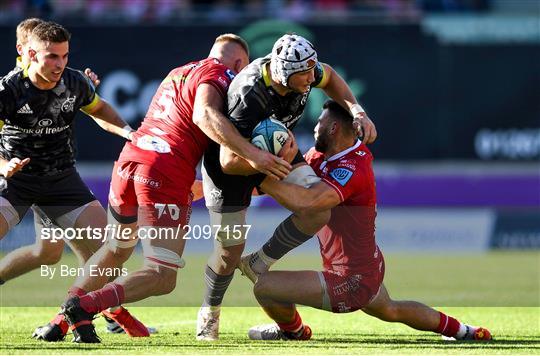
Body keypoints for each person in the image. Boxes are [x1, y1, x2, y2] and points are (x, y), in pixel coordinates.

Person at [59, 33, 291, 343]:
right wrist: (256, 157)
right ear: (238, 63)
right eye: (243, 69)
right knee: (162, 275)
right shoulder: (221, 75)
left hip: (131, 160)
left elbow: (179, 128)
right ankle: (84, 306)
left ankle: (60, 320)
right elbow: (205, 117)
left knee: (115, 250)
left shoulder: (177, 73)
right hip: (164, 171)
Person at [239, 100, 492, 341]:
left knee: (264, 287)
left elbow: (310, 202)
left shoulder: (352, 168)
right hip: (366, 269)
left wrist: (259, 178)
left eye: (319, 121)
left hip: (350, 280)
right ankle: (465, 331)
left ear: (334, 127)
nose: (315, 127)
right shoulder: (320, 155)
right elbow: (283, 181)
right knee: (391, 310)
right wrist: (243, 177)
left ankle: (293, 332)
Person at [196, 33, 376, 341]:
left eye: (311, 70)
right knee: (228, 252)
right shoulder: (248, 94)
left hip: (277, 154)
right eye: (304, 74)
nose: (311, 79)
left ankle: (258, 263)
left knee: (318, 209)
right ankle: (209, 312)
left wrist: (357, 110)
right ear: (282, 73)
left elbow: (329, 75)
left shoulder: (302, 70)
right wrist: (263, 164)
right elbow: (228, 159)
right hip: (233, 165)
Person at [0, 20, 148, 341]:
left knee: (106, 251)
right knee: (48, 252)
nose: (60, 64)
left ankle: (90, 312)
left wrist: (127, 132)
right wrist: (3, 165)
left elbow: (100, 109)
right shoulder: (8, 90)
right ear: (26, 53)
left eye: (64, 56)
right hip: (15, 180)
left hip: (60, 179)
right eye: (52, 56)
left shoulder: (75, 82)